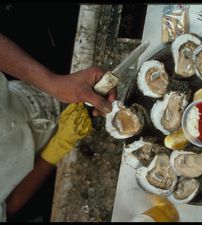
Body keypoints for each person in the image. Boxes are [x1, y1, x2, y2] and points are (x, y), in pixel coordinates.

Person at [0, 33, 116, 221]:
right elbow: (9, 206)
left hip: (36, 87)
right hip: (45, 147)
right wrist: (58, 146)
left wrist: (53, 83)